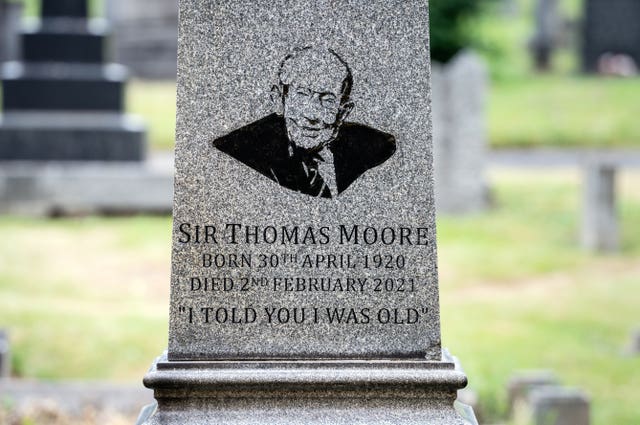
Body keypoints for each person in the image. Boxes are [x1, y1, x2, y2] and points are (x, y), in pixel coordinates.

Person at [213, 46, 396, 198]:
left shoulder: (374, 147)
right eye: (302, 95)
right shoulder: (240, 150)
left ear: (343, 111)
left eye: (327, 100)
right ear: (279, 99)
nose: (312, 115)